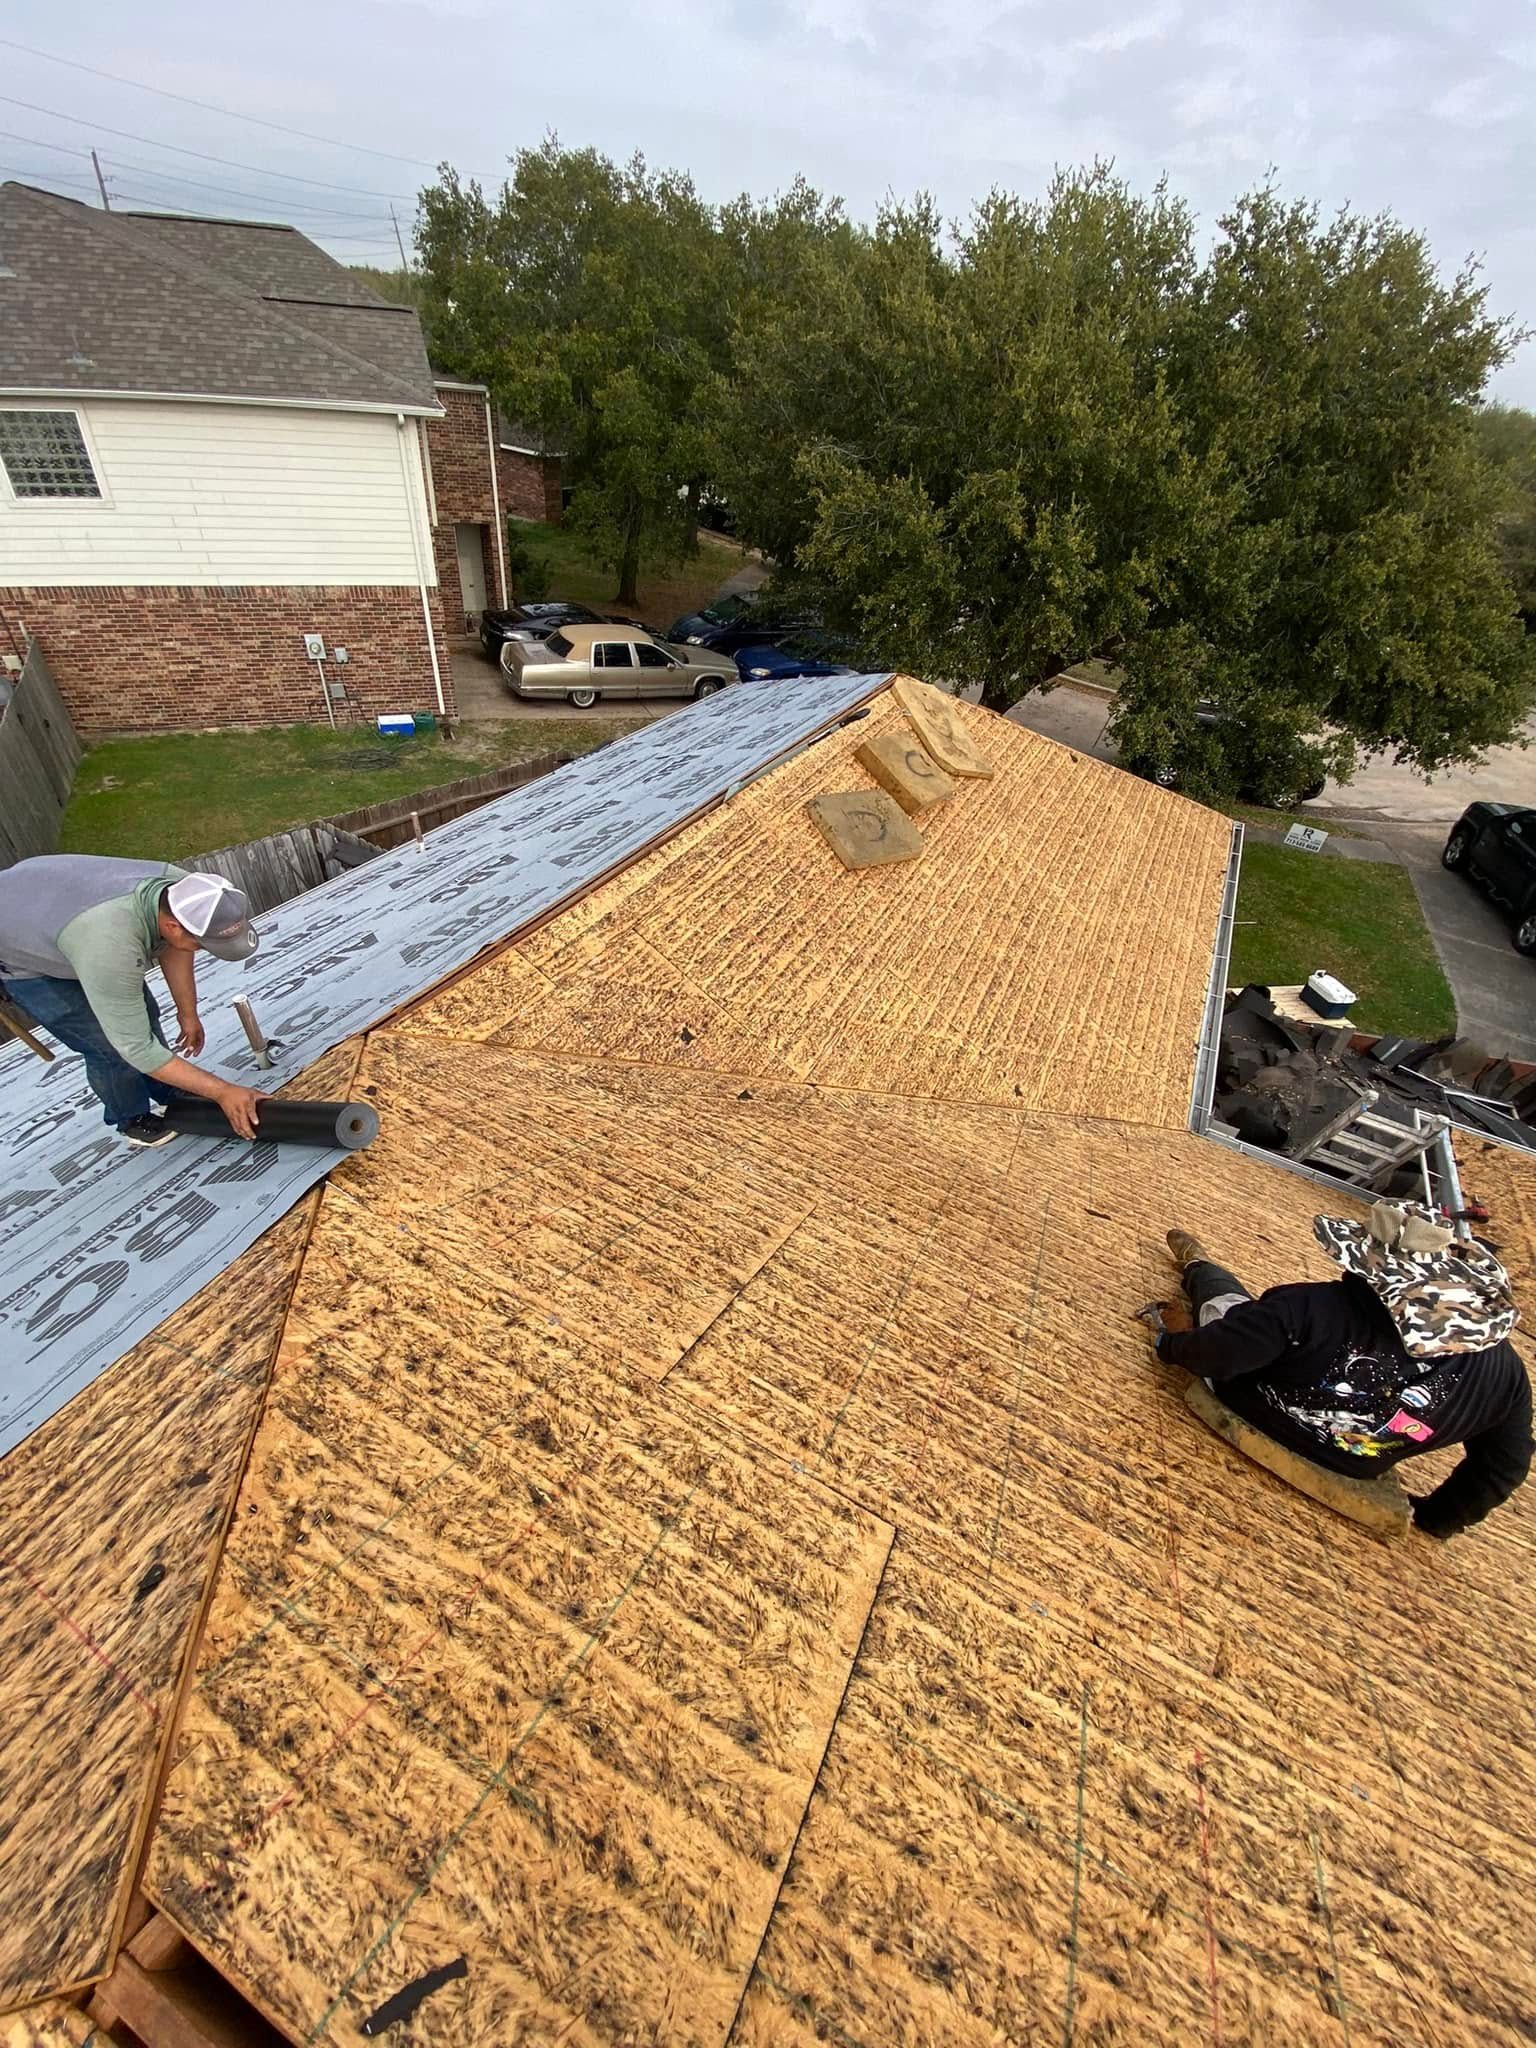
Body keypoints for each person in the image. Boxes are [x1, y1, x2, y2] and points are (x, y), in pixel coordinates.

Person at [1143, 1203, 1533, 1539]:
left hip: (1251, 1404)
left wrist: (1170, 1344)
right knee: (1258, 1327)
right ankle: (1204, 1273)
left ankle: (1199, 1266)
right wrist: (1437, 1520)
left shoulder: (1307, 1307)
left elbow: (1215, 1355)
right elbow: (1506, 1463)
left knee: (1225, 1303)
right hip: (1353, 1463)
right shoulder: (1504, 1374)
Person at [0, 854, 268, 1147]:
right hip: (27, 958)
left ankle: (169, 1091)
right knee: (106, 1046)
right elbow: (136, 1047)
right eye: (202, 943)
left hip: (49, 907)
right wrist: (222, 1092)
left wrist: (187, 1012)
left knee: (142, 1015)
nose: (202, 949)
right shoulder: (110, 946)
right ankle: (131, 1118)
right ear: (173, 926)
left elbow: (176, 946)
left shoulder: (185, 890)